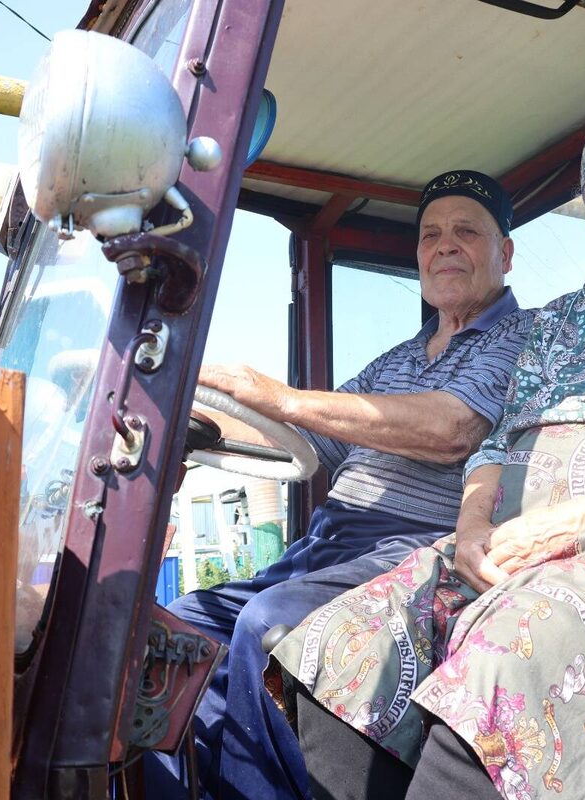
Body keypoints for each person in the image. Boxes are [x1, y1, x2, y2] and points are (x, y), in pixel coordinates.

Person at [264, 108, 585, 800]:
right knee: (342, 641)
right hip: (522, 543)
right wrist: (475, 530)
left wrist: (562, 526)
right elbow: (499, 445)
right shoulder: (559, 318)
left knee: (504, 656)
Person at [147, 170, 535, 800]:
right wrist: (180, 411)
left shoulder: (524, 338)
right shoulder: (398, 358)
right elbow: (308, 437)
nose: (446, 245)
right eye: (432, 234)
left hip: (415, 546)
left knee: (270, 624)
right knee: (169, 632)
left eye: (467, 231)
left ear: (505, 253)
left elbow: (454, 429)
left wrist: (279, 395)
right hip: (327, 545)